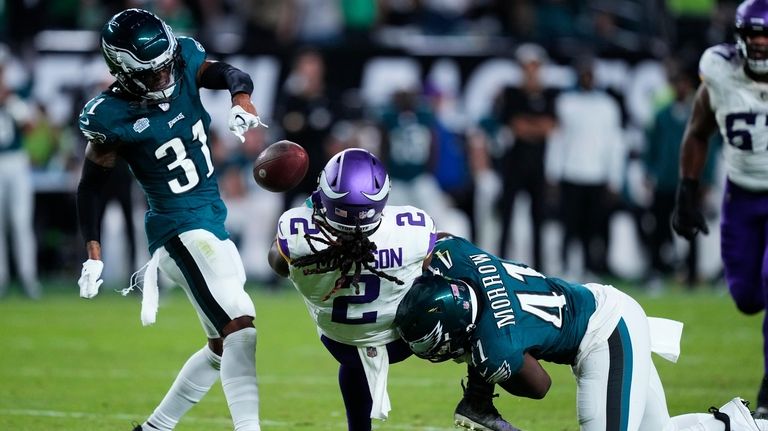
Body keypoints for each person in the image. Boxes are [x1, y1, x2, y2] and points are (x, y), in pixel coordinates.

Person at [75, 9, 265, 431]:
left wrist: (240, 100)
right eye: (152, 72)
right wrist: (92, 251)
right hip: (177, 230)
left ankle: (154, 428)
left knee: (221, 346)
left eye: (165, 66)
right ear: (121, 70)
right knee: (241, 326)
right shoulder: (110, 116)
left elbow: (233, 74)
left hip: (212, 222)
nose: (164, 76)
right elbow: (90, 187)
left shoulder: (182, 58)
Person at [395, 234, 768, 431]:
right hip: (603, 306)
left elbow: (539, 386)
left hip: (606, 336)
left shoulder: (495, 347)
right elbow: (437, 238)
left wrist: (484, 371)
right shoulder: (456, 257)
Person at [267, 148, 516, 431]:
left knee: (355, 353)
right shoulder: (413, 228)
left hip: (339, 342)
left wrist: (312, 207)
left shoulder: (297, 234)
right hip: (405, 339)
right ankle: (478, 400)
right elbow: (430, 253)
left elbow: (277, 263)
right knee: (463, 270)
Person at [671, 0, 768, 417]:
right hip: (741, 195)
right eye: (755, 37)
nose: (761, 45)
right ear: (741, 38)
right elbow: (698, 131)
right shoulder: (720, 71)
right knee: (746, 296)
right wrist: (686, 189)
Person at [495, 43, 557, 269]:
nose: (531, 70)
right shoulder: (512, 93)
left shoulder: (549, 94)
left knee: (538, 219)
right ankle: (499, 263)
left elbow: (551, 126)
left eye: (534, 65)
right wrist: (536, 127)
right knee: (507, 217)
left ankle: (539, 269)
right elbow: (516, 125)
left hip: (538, 165)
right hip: (514, 164)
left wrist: (529, 126)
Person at [0, 44, 40, 299]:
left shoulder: (15, 96)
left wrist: (10, 101)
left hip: (16, 160)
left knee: (21, 222)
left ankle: (28, 277)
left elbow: (30, 127)